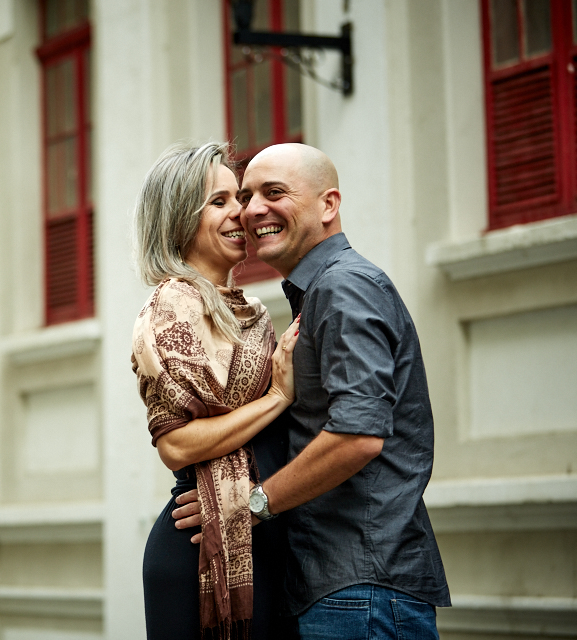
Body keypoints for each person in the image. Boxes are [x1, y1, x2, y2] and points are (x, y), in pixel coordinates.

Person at [174, 143, 451, 639]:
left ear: (328, 205)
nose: (252, 209)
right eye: (246, 195)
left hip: (361, 590)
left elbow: (356, 436)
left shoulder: (343, 287)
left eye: (274, 192)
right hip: (340, 590)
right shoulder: (320, 291)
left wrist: (251, 504)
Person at [131, 141, 300, 639]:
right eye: (219, 201)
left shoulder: (254, 314)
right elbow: (176, 443)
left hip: (256, 528)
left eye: (238, 199)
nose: (240, 213)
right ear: (181, 218)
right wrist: (277, 398)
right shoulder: (169, 308)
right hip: (193, 545)